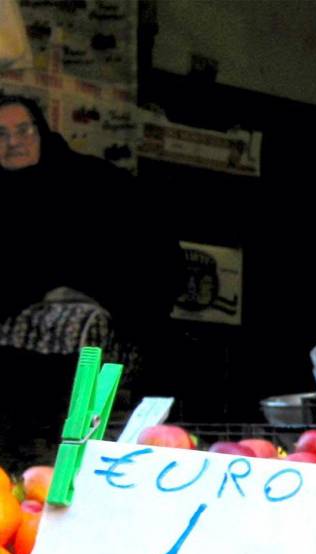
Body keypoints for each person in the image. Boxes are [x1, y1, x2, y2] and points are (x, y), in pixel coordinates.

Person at [0, 94, 182, 462]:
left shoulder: (82, 181)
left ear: (41, 131)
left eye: (23, 130)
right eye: (0, 135)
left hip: (121, 307)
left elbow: (47, 260)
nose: (14, 142)